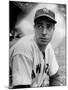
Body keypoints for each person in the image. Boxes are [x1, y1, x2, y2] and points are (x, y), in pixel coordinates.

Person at [9, 8, 62, 89]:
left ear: (53, 30)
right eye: (40, 26)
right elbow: (21, 87)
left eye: (48, 27)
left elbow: (55, 76)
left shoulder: (48, 47)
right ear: (34, 28)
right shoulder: (24, 50)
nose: (44, 32)